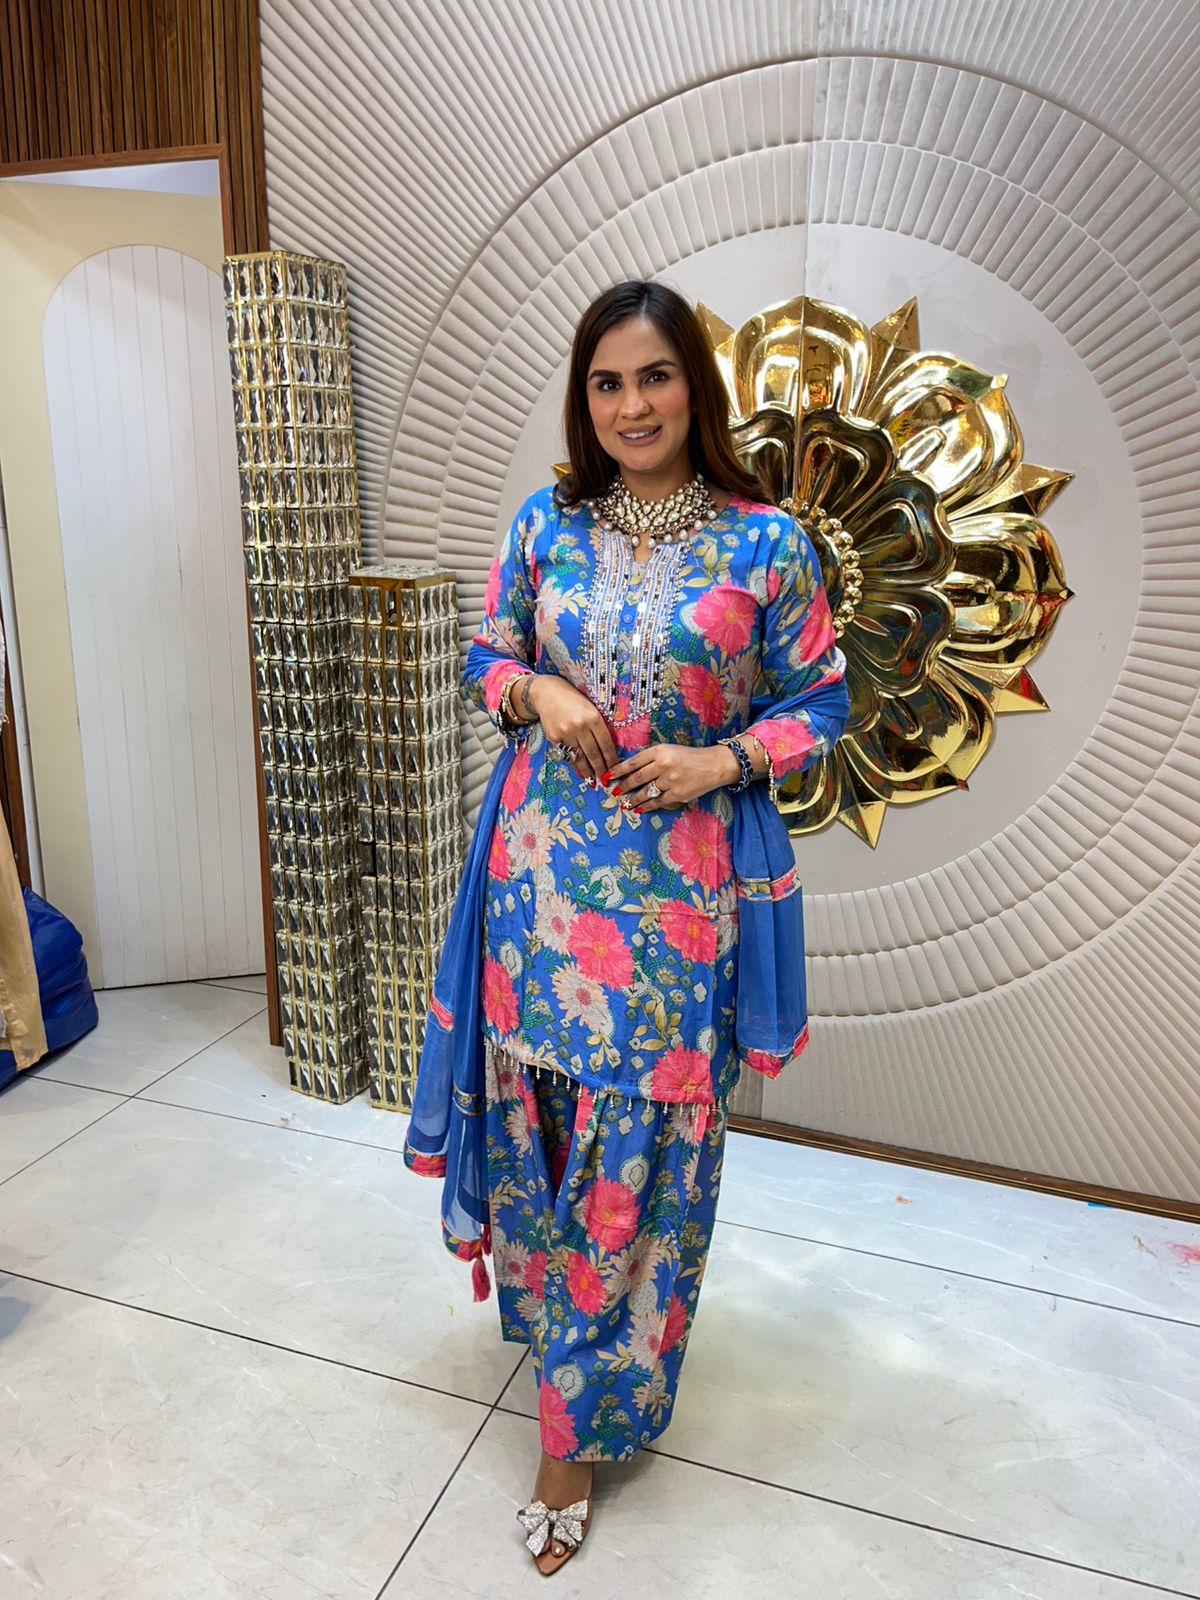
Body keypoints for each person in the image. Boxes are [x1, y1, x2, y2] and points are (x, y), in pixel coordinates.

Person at [406, 278, 850, 1575]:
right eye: (607, 382)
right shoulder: (546, 522)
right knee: (540, 1141)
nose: (632, 405)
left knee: (638, 1162)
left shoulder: (768, 546)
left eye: (654, 376)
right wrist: (537, 691)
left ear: (693, 387)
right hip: (537, 892)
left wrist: (721, 762)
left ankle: (577, 1432)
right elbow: (487, 654)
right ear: (584, 398)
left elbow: (822, 702)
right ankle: (566, 1360)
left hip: (674, 914)